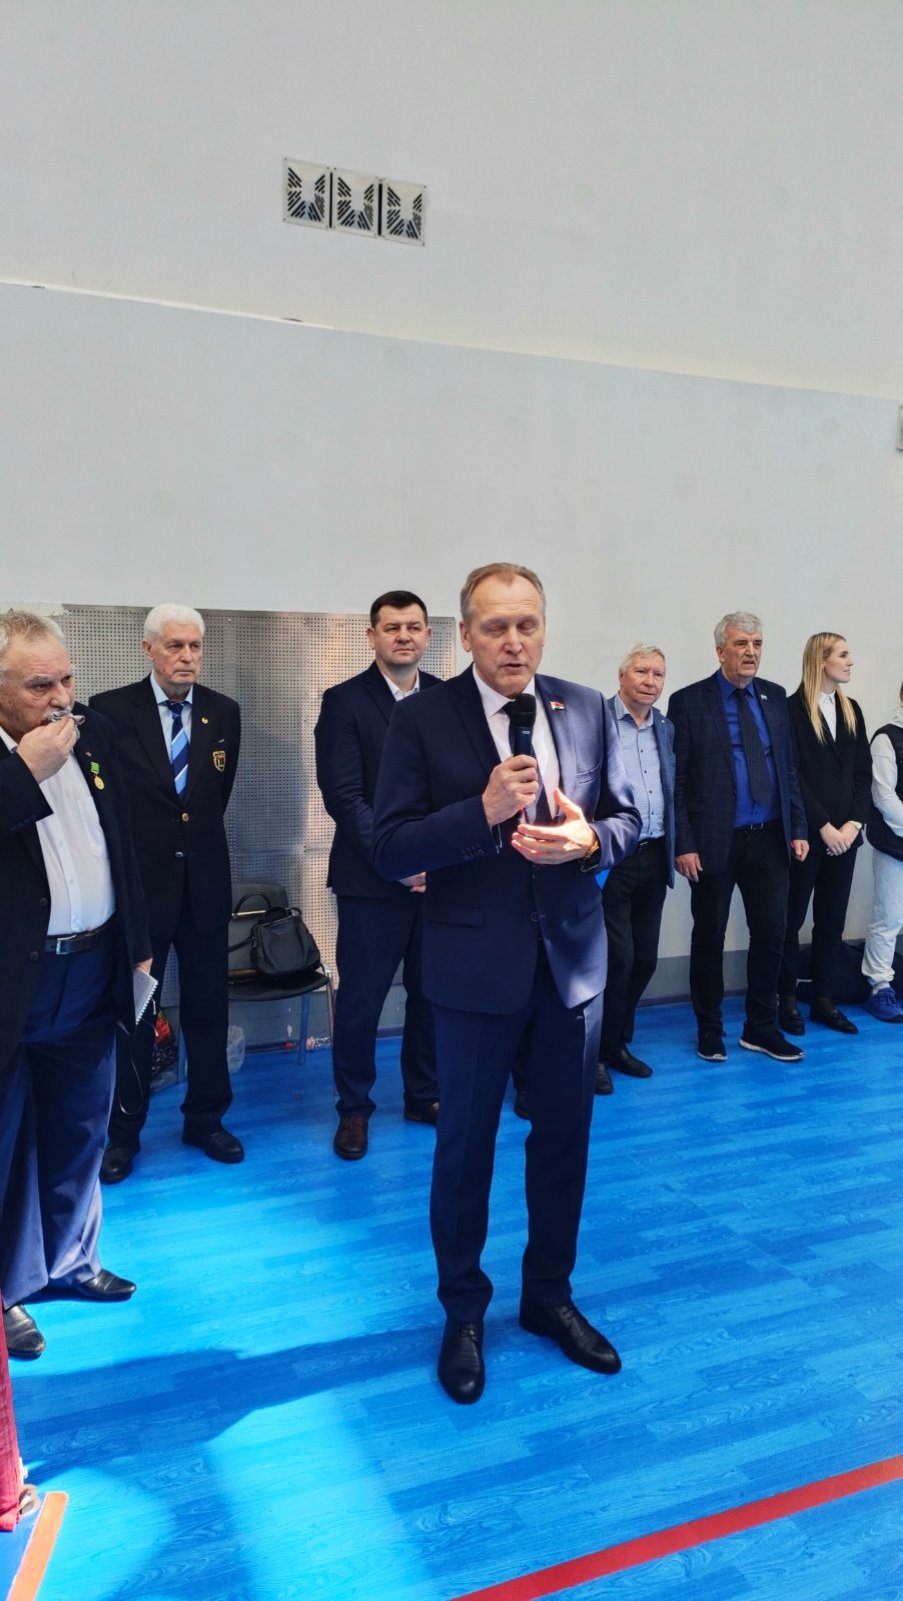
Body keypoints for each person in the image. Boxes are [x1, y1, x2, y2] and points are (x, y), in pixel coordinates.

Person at [373, 563, 640, 1404]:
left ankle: (548, 1295)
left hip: (571, 970)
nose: (513, 641)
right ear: (465, 634)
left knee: (563, 1142)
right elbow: (388, 846)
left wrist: (590, 842)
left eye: (527, 624)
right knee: (464, 1150)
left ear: (543, 627)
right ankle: (463, 1311)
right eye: (495, 626)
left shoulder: (585, 706)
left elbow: (630, 817)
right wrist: (479, 812)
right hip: (471, 974)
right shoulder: (421, 717)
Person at [0, 611, 150, 1360]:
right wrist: (20, 773)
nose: (61, 698)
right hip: (13, 982)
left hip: (92, 964)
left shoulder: (91, 736)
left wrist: (139, 946)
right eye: (39, 686)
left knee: (81, 1125)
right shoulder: (19, 759)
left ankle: (68, 1260)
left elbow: (120, 845)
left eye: (66, 679)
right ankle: (3, 1296)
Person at [90, 604, 243, 1182]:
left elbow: (212, 799)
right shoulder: (109, 711)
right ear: (148, 649)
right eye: (175, 646)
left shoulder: (222, 712)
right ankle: (123, 1134)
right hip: (141, 894)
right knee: (136, 1014)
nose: (186, 657)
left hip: (204, 889)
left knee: (208, 1009)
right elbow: (109, 803)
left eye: (195, 647)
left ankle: (206, 1119)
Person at [314, 591, 441, 1160]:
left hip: (438, 879)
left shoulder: (446, 699)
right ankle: (354, 1109)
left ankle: (423, 1095)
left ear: (428, 636)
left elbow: (457, 788)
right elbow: (344, 796)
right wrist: (400, 862)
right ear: (372, 636)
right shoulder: (343, 702)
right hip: (371, 881)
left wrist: (437, 858)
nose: (404, 636)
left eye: (413, 626)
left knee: (431, 994)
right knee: (361, 1002)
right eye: (392, 627)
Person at [669, 611, 809, 1065]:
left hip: (769, 838)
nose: (751, 652)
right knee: (709, 937)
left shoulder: (775, 696)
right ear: (720, 651)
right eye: (741, 644)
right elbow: (677, 781)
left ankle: (760, 1027)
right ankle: (710, 1029)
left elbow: (787, 769)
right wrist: (683, 842)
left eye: (757, 644)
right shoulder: (689, 702)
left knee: (771, 934)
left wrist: (798, 828)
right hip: (714, 841)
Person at [778, 635, 870, 1036]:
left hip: (846, 839)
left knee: (832, 922)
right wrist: (824, 826)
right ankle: (785, 1001)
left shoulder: (852, 710)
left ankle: (823, 1000)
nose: (851, 661)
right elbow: (792, 775)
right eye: (843, 655)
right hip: (808, 837)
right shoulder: (790, 711)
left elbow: (863, 773)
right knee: (791, 919)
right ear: (821, 661)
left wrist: (853, 825)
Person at [596, 645, 675, 1094]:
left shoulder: (665, 727)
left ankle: (618, 1043)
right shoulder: (598, 722)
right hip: (614, 858)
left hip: (655, 853)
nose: (650, 680)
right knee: (617, 959)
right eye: (641, 671)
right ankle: (596, 1054)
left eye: (658, 674)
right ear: (621, 675)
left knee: (644, 958)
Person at [860, 679, 903, 1023]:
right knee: (889, 917)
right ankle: (879, 987)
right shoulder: (886, 738)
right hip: (894, 845)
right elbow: (884, 798)